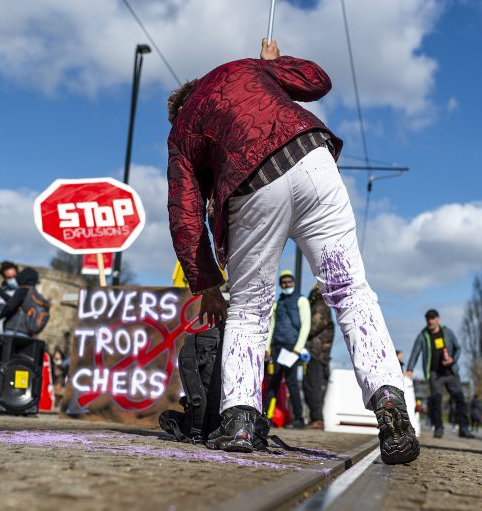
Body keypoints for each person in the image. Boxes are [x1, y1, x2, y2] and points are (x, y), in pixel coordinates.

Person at [166, 39, 418, 463]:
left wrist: (207, 283)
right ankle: (389, 403)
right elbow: (318, 81)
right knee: (351, 292)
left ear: (180, 107)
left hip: (252, 185)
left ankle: (241, 421)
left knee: (248, 309)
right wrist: (274, 65)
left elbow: (186, 213)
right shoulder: (242, 69)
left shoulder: (182, 129)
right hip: (311, 161)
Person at [405, 309, 474, 439]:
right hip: (435, 374)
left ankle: (464, 428)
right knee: (436, 401)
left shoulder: (447, 332)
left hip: (451, 372)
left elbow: (457, 348)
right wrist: (410, 369)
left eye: (433, 318)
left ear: (438, 319)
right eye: (428, 319)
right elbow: (415, 352)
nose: (430, 321)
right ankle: (438, 428)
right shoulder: (423, 335)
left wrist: (452, 359)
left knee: (460, 399)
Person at [264, 270, 310, 429]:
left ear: (294, 282)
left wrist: (298, 348)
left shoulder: (302, 301)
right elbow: (271, 326)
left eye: (289, 281)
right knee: (273, 383)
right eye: (283, 282)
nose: (286, 284)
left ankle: (299, 419)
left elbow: (306, 325)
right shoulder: (278, 303)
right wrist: (267, 347)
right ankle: (266, 417)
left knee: (292, 383)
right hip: (277, 347)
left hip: (292, 348)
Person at [303, 283, 335, 430]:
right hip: (316, 353)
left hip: (317, 353)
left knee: (313, 386)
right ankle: (315, 418)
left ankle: (317, 419)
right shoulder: (320, 305)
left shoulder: (321, 305)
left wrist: (300, 330)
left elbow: (313, 326)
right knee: (310, 385)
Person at [0, 268, 48, 337]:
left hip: (14, 329)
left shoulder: (23, 290)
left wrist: (0, 316)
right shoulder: (38, 296)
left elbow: (10, 305)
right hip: (28, 334)